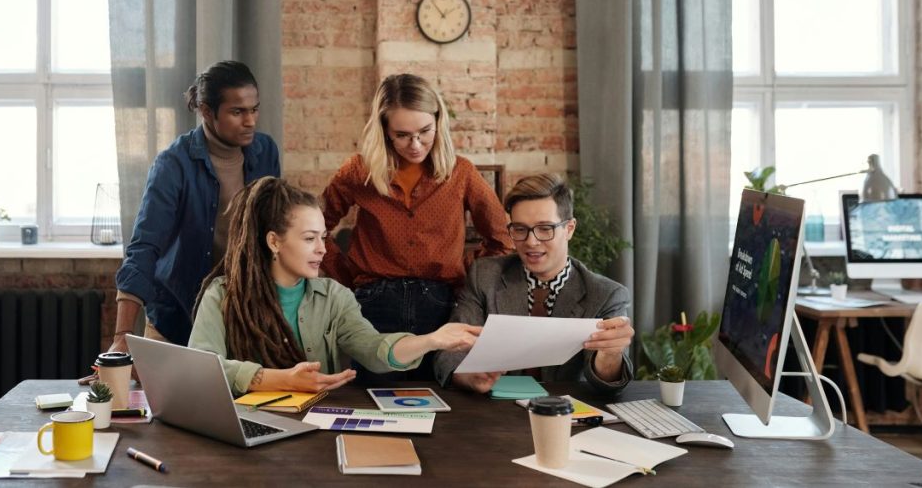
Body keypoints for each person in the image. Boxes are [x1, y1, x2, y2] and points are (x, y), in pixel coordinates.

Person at [188, 177, 481, 394]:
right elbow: (201, 369)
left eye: (323, 236)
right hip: (245, 427)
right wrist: (280, 379)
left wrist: (432, 340)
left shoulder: (334, 297)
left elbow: (374, 349)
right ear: (274, 241)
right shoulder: (223, 295)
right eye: (309, 238)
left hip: (316, 430)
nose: (322, 249)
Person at [321, 73, 514, 381]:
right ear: (385, 130)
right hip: (373, 306)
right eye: (402, 135)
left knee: (441, 402)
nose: (415, 144)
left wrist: (461, 268)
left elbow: (502, 239)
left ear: (439, 121)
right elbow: (317, 229)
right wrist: (347, 277)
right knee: (374, 399)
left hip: (439, 306)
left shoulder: (461, 173)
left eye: (425, 131)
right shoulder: (358, 172)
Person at [112, 61, 281, 352]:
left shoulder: (265, 152)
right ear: (206, 111)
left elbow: (275, 229)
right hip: (177, 321)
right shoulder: (173, 164)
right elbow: (144, 248)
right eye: (237, 112)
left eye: (254, 109)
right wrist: (122, 336)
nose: (250, 121)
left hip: (244, 321)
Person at [434, 173, 635, 394]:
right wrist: (467, 376)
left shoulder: (606, 294)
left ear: (569, 229)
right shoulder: (485, 275)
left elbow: (606, 384)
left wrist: (611, 354)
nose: (531, 242)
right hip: (493, 413)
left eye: (545, 229)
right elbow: (449, 352)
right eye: (520, 229)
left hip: (566, 415)